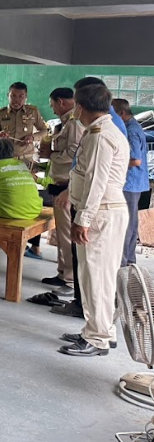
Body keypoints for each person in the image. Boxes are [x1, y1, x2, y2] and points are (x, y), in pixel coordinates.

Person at [58, 82, 129, 356]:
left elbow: (96, 181)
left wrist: (83, 219)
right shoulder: (102, 130)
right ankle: (100, 330)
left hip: (101, 213)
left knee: (96, 277)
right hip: (104, 211)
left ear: (80, 107)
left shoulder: (100, 136)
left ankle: (98, 338)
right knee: (97, 275)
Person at [29, 87, 86, 305]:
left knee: (67, 235)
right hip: (60, 183)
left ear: (60, 101)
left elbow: (73, 153)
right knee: (62, 234)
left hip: (67, 186)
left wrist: (51, 154)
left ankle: (69, 279)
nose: (52, 109)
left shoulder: (74, 123)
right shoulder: (66, 122)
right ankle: (63, 273)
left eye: (52, 104)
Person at [111, 98, 147, 266]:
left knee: (126, 224)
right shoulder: (131, 126)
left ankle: (123, 261)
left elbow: (136, 160)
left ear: (121, 113)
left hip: (130, 182)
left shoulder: (131, 130)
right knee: (130, 222)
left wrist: (113, 163)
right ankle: (129, 259)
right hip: (135, 182)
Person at [0, 82, 47, 170]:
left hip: (26, 158)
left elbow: (44, 131)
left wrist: (33, 137)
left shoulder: (33, 111)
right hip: (5, 159)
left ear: (26, 97)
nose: (16, 100)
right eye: (13, 96)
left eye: (21, 96)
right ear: (8, 96)